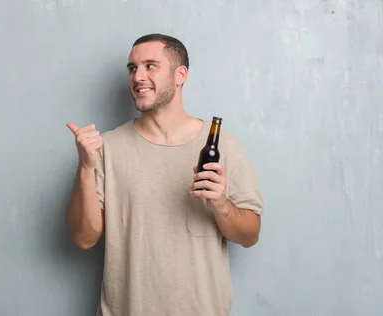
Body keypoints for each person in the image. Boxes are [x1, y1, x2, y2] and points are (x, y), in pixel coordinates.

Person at [65, 33, 264, 316]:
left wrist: (221, 205)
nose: (138, 77)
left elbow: (250, 235)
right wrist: (85, 167)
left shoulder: (223, 146)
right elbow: (84, 238)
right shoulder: (106, 148)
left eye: (150, 66)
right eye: (132, 68)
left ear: (180, 74)